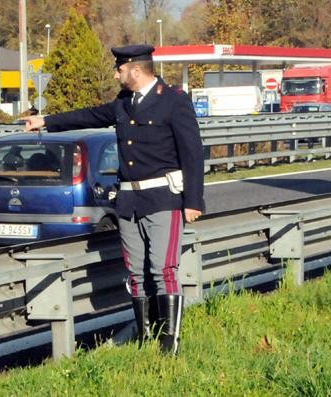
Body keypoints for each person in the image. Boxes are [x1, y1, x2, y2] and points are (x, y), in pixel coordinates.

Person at [20, 44, 204, 355]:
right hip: (129, 200)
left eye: (119, 69)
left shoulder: (173, 101)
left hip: (164, 199)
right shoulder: (124, 103)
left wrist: (193, 201)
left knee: (163, 270)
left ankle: (168, 345)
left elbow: (193, 152)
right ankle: (146, 339)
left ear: (135, 69)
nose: (115, 73)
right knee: (136, 272)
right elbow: (89, 115)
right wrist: (46, 121)